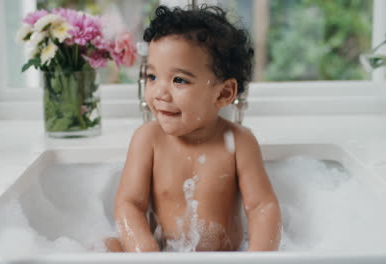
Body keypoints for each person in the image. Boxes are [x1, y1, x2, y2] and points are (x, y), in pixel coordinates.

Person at [110, 4, 281, 252]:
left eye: (179, 80)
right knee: (105, 248)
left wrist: (257, 258)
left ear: (223, 93)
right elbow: (129, 204)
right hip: (163, 254)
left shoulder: (238, 142)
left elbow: (262, 207)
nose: (159, 92)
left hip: (223, 257)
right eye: (152, 77)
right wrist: (144, 253)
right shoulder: (148, 139)